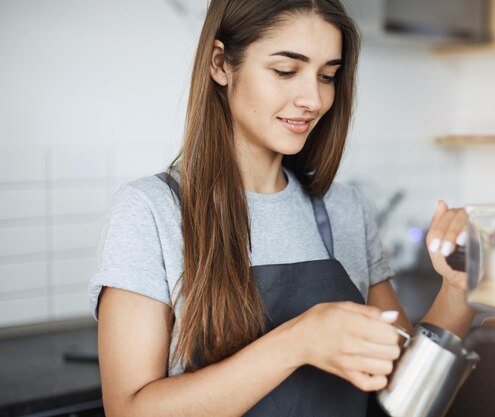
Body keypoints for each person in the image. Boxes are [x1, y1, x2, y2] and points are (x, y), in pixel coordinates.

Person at [88, 0, 474, 416]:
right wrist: (298, 342)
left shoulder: (345, 209)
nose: (313, 99)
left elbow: (404, 388)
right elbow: (128, 411)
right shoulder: (150, 210)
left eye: (328, 76)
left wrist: (458, 289)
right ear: (220, 64)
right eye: (285, 71)